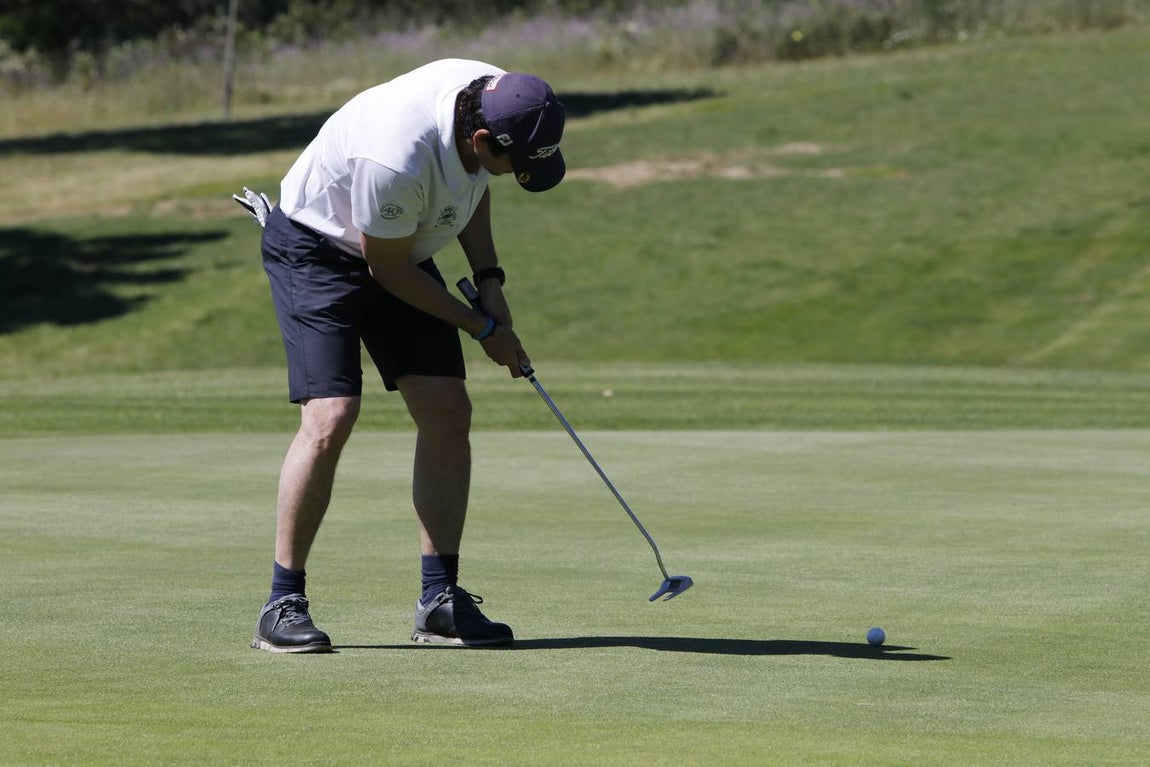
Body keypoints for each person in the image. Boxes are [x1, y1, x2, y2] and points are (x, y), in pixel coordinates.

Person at [248, 58, 566, 652]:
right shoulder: (397, 153)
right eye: (512, 164)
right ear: (480, 139)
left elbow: (472, 187)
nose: (510, 174)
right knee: (331, 415)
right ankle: (281, 602)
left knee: (448, 409)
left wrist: (490, 279)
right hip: (316, 248)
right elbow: (386, 269)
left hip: (397, 243)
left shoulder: (498, 97)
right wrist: (480, 326)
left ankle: (439, 601)